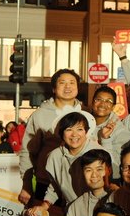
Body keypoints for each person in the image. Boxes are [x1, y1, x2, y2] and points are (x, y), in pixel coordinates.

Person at [19, 69, 90, 203]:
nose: (68, 86)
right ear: (54, 88)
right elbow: (28, 151)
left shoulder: (87, 113)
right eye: (62, 83)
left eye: (72, 83)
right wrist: (26, 183)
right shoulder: (39, 115)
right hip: (46, 181)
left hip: (81, 181)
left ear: (77, 87)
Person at [30, 111, 95, 216]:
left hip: (96, 211)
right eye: (69, 129)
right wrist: (44, 205)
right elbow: (55, 185)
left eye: (79, 129)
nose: (74, 134)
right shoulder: (54, 156)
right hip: (70, 212)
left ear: (86, 131)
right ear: (61, 133)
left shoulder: (97, 153)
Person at [63, 150, 116, 216]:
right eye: (88, 170)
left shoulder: (118, 197)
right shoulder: (76, 206)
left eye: (99, 169)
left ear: (109, 171)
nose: (94, 175)